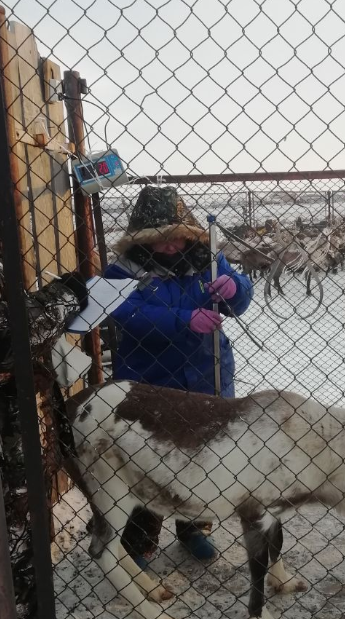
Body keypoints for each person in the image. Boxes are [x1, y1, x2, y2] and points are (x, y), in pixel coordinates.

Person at [0, 165, 105, 619]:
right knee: (12, 550)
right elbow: (7, 327)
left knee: (28, 538)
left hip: (10, 431)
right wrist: (65, 297)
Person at [104, 186, 253, 566]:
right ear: (142, 239)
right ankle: (140, 538)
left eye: (176, 238)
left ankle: (194, 528)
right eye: (159, 241)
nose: (171, 247)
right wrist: (184, 320)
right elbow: (127, 314)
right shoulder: (122, 270)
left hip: (206, 373)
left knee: (202, 456)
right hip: (151, 380)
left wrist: (235, 289)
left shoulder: (206, 259)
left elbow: (240, 297)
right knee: (146, 460)